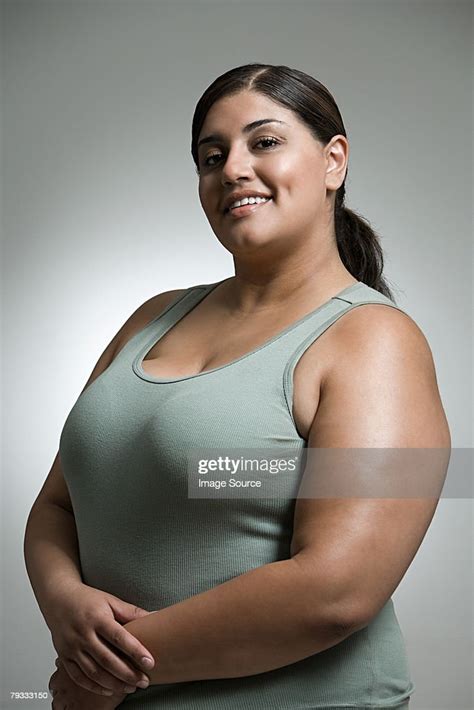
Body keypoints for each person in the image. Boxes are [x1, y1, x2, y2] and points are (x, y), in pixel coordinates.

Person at [24, 63, 451, 709]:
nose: (232, 169)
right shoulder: (151, 317)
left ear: (333, 160)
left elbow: (337, 591)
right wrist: (65, 605)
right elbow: (59, 505)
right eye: (211, 155)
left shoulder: (375, 341)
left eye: (265, 142)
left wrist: (105, 670)